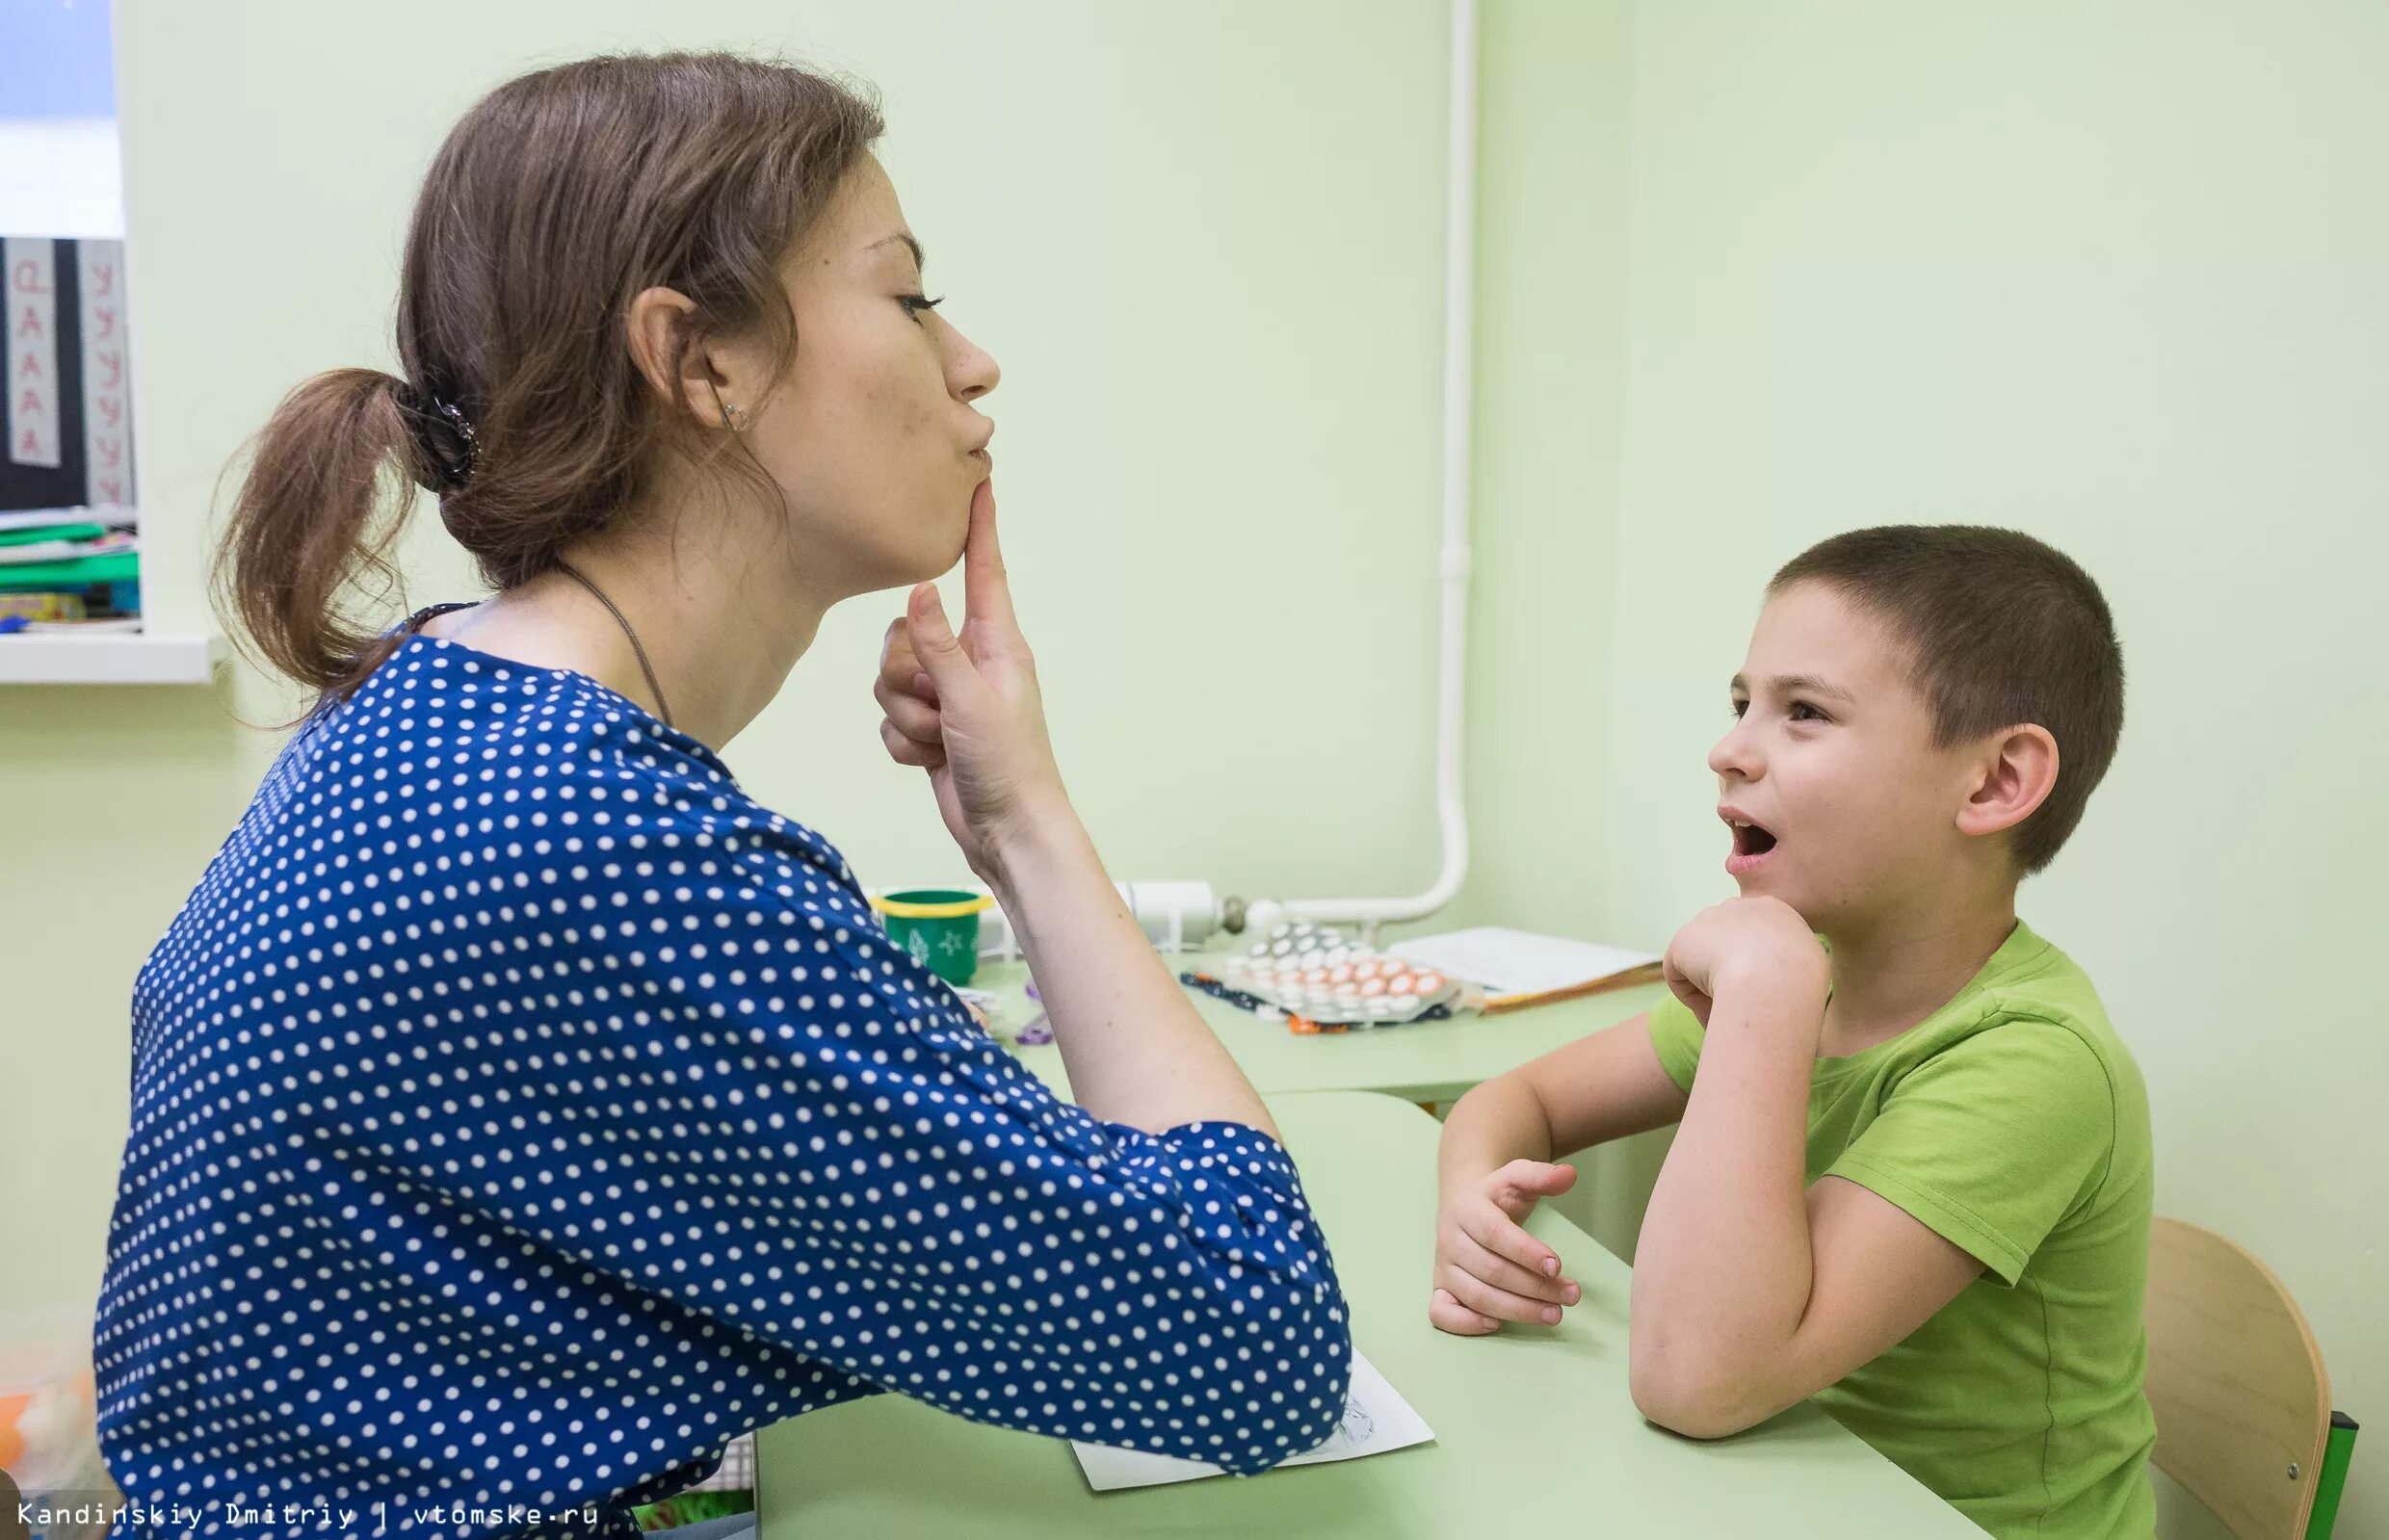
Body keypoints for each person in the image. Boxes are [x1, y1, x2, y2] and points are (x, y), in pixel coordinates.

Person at [94, 52, 1348, 1540]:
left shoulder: (435, 707)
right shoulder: (596, 841)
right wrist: (1033, 827)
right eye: (908, 294)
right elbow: (1253, 1332)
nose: (973, 360)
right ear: (699, 361)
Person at [1431, 526, 2154, 1538]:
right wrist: (1471, 1197)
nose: (1727, 749)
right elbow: (1518, 1102)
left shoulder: (2032, 1059)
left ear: (1993, 784)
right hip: (1764, 1490)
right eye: (1741, 704)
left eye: (1804, 712)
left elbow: (1698, 1381)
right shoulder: (1817, 983)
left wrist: (1765, 987)